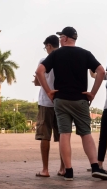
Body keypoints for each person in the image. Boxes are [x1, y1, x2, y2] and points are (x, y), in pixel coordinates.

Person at [36, 26, 107, 181]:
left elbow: (39, 71)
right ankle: (95, 167)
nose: (59, 40)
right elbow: (101, 71)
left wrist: (49, 91)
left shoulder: (56, 54)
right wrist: (92, 93)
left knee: (65, 134)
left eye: (60, 37)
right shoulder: (85, 53)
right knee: (86, 133)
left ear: (65, 38)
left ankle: (69, 171)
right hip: (80, 99)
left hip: (61, 99)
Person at [33, 35, 65, 177]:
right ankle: (63, 168)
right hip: (60, 102)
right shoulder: (64, 59)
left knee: (45, 136)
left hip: (46, 102)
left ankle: (45, 169)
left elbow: (36, 82)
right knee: (63, 136)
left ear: (49, 46)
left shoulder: (44, 61)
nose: (46, 49)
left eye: (46, 46)